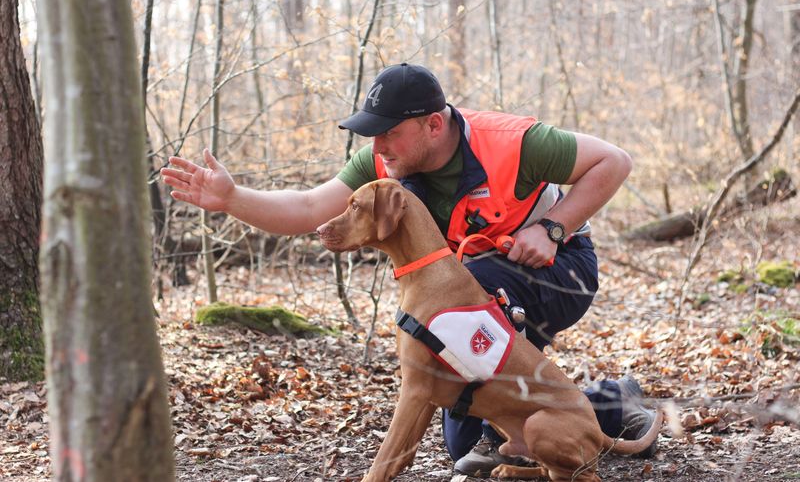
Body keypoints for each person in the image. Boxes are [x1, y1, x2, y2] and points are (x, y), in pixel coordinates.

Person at [161, 63, 658, 476]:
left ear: (434, 125)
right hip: (472, 290)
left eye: (389, 133)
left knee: (463, 303)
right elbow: (311, 207)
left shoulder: (512, 142)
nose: (379, 147)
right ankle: (609, 403)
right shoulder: (387, 163)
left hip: (559, 267)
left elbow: (614, 161)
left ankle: (524, 437)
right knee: (458, 424)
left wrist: (553, 227)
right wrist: (230, 198)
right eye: (374, 135)